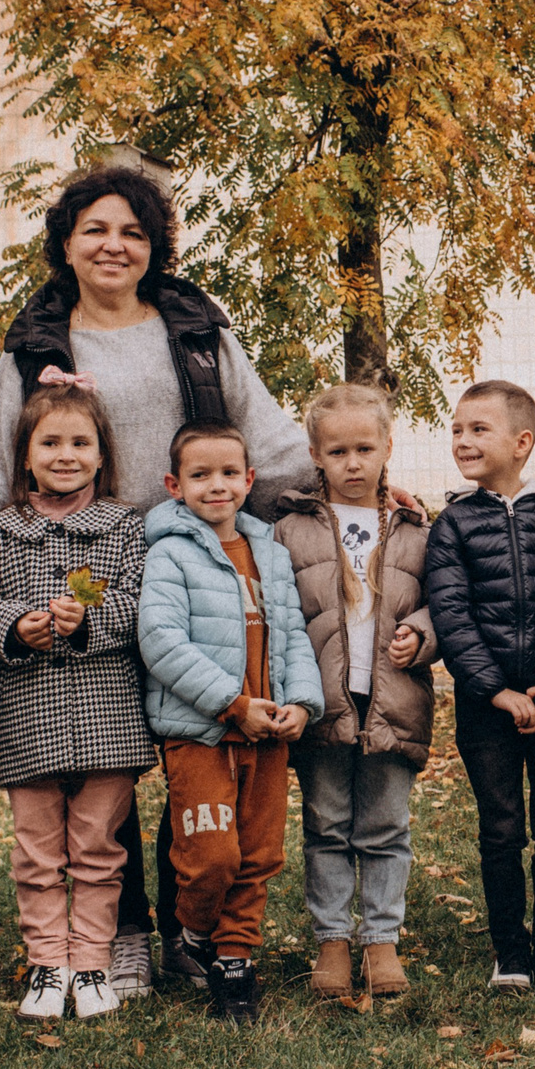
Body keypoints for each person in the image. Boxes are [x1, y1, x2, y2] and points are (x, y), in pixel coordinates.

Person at [0, 166, 320, 1001]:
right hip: (90, 564)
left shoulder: (194, 328)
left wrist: (344, 485)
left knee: (191, 748)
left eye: (133, 232)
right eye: (96, 230)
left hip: (188, 559)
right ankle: (119, 935)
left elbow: (264, 428)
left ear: (153, 247)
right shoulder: (36, 342)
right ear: (67, 244)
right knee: (112, 751)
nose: (114, 245)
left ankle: (195, 930)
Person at [0, 382, 153, 1022]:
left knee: (98, 848)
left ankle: (92, 962)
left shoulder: (124, 525)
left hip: (109, 717)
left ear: (101, 455)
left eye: (79, 442)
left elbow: (140, 600)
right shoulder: (1, 530)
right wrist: (15, 627)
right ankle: (47, 964)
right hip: (28, 714)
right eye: (50, 442)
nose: (65, 454)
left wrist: (88, 620)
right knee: (37, 850)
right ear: (25, 454)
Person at [137, 421, 324, 1023]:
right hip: (204, 733)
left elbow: (293, 633)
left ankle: (236, 959)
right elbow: (161, 640)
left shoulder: (269, 551)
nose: (215, 486)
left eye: (227, 474)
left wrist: (300, 703)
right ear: (175, 485)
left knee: (260, 852)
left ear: (249, 480)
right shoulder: (168, 553)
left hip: (269, 733)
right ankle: (192, 936)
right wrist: (234, 704)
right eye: (199, 475)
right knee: (212, 854)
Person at [274, 383, 439, 1002]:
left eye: (364, 448)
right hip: (319, 701)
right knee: (327, 825)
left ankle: (381, 940)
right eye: (337, 450)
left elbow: (440, 606)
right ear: (315, 453)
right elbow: (279, 610)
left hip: (392, 699)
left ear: (387, 447)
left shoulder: (415, 527)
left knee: (385, 826)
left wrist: (420, 636)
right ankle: (332, 941)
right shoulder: (289, 529)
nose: (352, 463)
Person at [422, 381, 535, 995]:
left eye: (478, 429)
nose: (463, 440)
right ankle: (510, 951)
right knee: (500, 827)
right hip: (485, 704)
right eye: (457, 429)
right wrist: (494, 690)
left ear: (522, 443)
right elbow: (452, 614)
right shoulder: (453, 524)